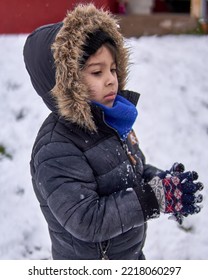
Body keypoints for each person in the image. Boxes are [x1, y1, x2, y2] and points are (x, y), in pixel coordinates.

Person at [23, 3, 203, 260]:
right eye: (97, 72)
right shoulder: (55, 148)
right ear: (67, 83)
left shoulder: (110, 121)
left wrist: (163, 184)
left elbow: (130, 173)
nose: (110, 80)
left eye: (113, 69)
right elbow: (87, 219)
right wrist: (154, 198)